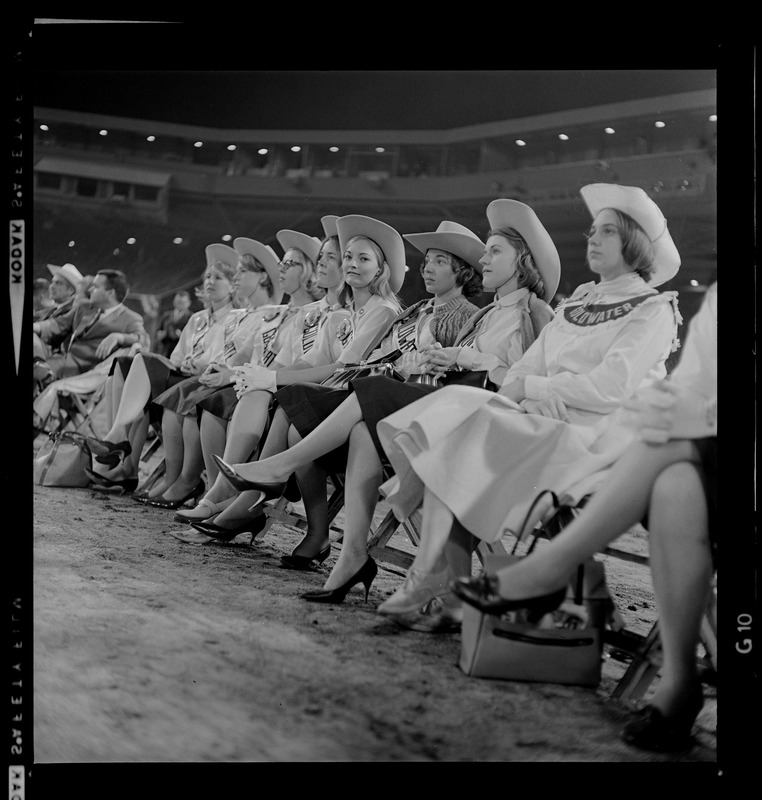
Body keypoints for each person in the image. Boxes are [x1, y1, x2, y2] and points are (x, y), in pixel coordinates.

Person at [209, 202, 559, 608]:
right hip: (446, 406)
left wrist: (461, 359)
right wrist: (428, 361)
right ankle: (352, 555)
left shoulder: (534, 312)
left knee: (369, 388)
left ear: (523, 262)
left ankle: (279, 468)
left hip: (480, 421)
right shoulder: (481, 317)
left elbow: (520, 379)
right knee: (360, 427)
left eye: (495, 251)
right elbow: (447, 367)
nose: (485, 258)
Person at [367, 182, 683, 630]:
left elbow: (608, 389)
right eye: (592, 230)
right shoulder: (578, 303)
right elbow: (519, 373)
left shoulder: (653, 310)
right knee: (462, 412)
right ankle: (433, 576)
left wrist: (540, 390)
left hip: (606, 436)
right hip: (547, 418)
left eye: (607, 231)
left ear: (634, 243)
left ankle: (434, 578)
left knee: (466, 429)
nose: (592, 238)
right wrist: (534, 392)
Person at [452, 281, 717, 753]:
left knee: (670, 450)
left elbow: (627, 390)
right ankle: (679, 683)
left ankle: (547, 569)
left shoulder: (652, 309)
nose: (594, 240)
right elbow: (691, 386)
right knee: (675, 483)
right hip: (687, 453)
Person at [179, 214, 405, 541]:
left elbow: (342, 369)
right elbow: (306, 363)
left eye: (362, 259)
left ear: (381, 269)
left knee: (283, 401)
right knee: (241, 397)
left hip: (350, 405)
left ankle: (243, 498)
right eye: (346, 258)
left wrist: (270, 379)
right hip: (326, 395)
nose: (350, 264)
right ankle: (226, 494)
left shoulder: (379, 310)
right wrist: (262, 377)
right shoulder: (353, 311)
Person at [138, 240, 285, 509]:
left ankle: (201, 484)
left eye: (241, 272)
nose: (236, 277)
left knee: (199, 398)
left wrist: (224, 371)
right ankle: (181, 478)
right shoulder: (237, 315)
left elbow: (259, 359)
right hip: (226, 378)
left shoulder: (277, 314)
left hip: (253, 388)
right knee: (180, 395)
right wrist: (217, 368)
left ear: (263, 276)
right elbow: (231, 355)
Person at [85, 246, 240, 494]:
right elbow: (177, 356)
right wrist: (185, 361)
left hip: (203, 384)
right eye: (208, 277)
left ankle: (118, 442)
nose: (210, 282)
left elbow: (230, 358)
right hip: (182, 378)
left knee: (144, 362)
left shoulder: (237, 318)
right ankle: (126, 466)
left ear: (233, 286)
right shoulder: (197, 319)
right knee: (123, 365)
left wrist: (198, 364)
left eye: (218, 278)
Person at [34, 268, 149, 380]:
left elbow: (142, 339)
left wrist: (118, 337)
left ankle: (43, 373)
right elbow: (58, 324)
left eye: (95, 287)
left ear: (110, 293)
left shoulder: (130, 318)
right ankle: (42, 371)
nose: (90, 290)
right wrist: (35, 327)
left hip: (85, 374)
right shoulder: (84, 307)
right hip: (58, 361)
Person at [154, 290, 193, 357]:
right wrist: (161, 334)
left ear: (188, 303)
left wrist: (181, 335)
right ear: (174, 302)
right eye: (178, 302)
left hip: (181, 354)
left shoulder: (191, 317)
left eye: (182, 302)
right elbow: (158, 332)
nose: (180, 304)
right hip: (164, 351)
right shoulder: (166, 316)